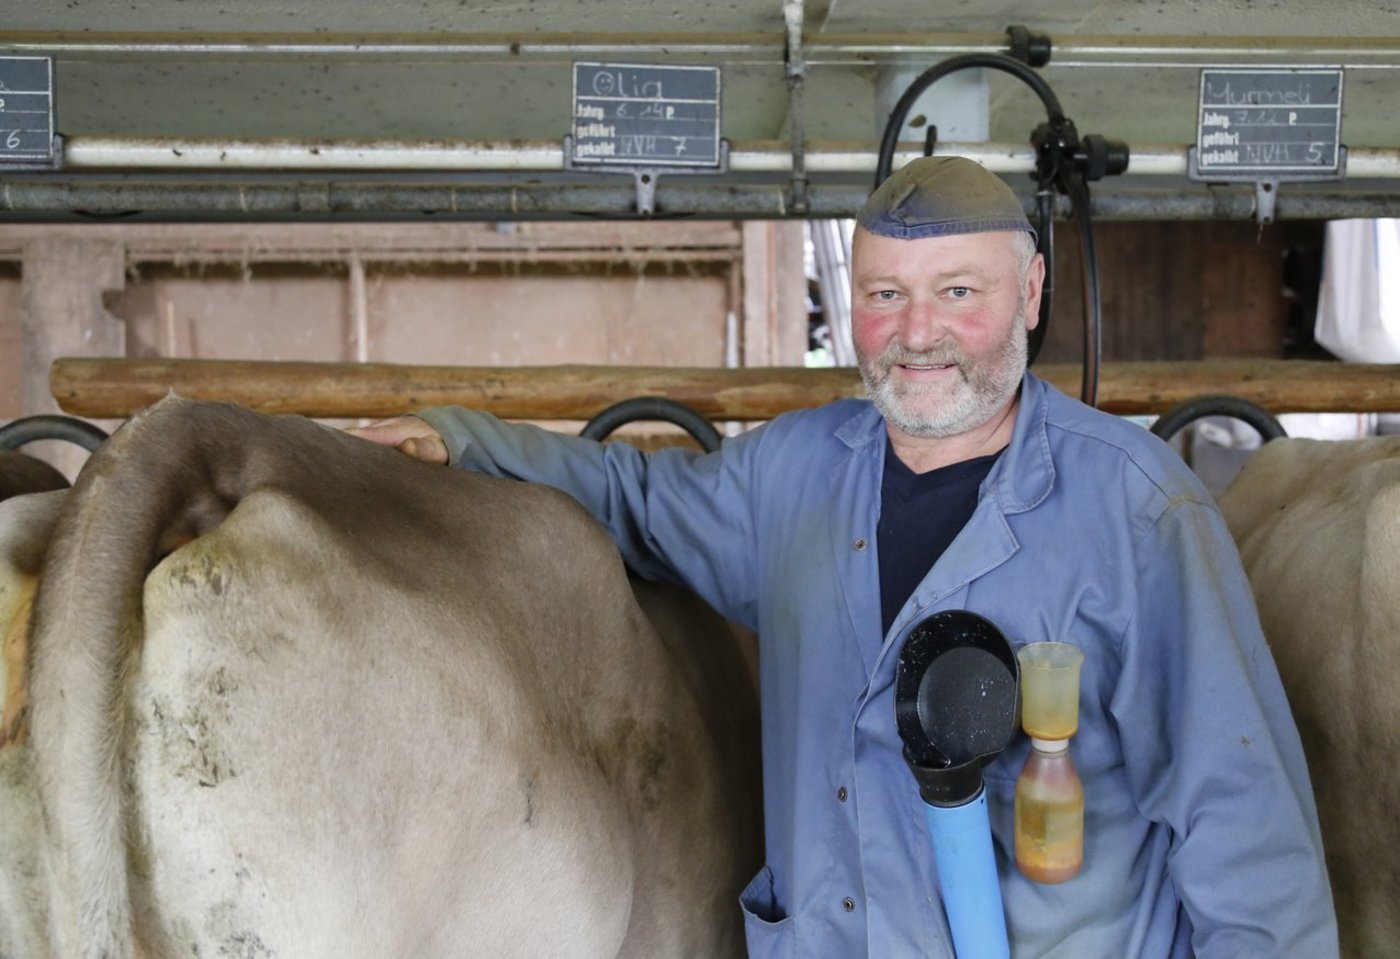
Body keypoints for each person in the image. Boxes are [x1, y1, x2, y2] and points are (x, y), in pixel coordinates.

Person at [351, 157, 1338, 958]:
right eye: (883, 294)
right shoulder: (790, 470)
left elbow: (1239, 818)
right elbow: (633, 498)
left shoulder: (1134, 506)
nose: (916, 334)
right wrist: (464, 441)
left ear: (1030, 290)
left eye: (958, 292)